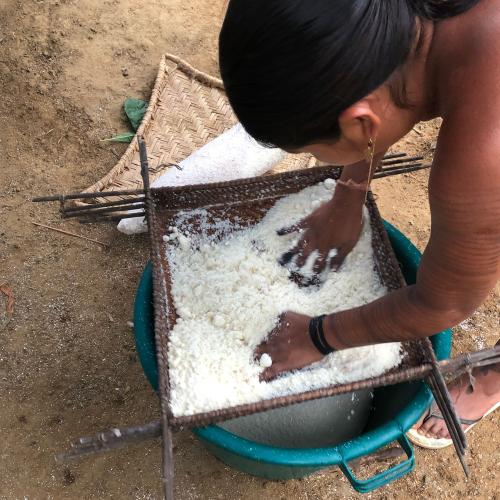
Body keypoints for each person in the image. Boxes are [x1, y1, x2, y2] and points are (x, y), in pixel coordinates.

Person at [219, 0, 499, 448]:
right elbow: (382, 85)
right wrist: (348, 197)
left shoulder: (483, 156)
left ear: (359, 125)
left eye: (320, 149)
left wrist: (318, 334)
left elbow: (444, 304)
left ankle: (494, 375)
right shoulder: (399, 21)